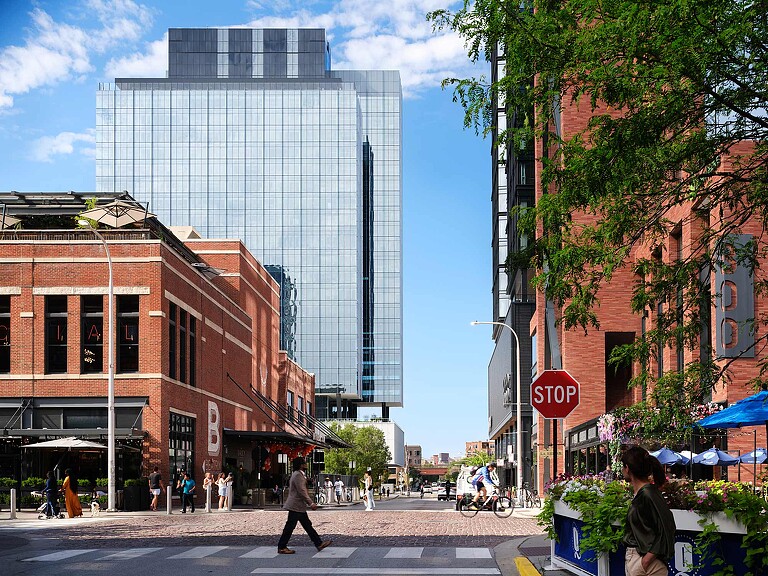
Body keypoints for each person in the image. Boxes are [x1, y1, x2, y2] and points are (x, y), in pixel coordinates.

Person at [621, 445, 676, 576]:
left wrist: (645, 562)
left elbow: (667, 527)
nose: (622, 470)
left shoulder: (648, 494)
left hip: (645, 561)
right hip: (640, 558)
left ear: (628, 468)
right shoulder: (646, 493)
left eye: (623, 466)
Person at [277, 456, 332, 554]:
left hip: (298, 506)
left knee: (307, 526)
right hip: (296, 506)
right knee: (290, 527)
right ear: (301, 465)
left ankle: (318, 543)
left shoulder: (298, 474)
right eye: (304, 463)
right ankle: (282, 546)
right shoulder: (298, 475)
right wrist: (310, 503)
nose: (306, 464)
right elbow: (302, 491)